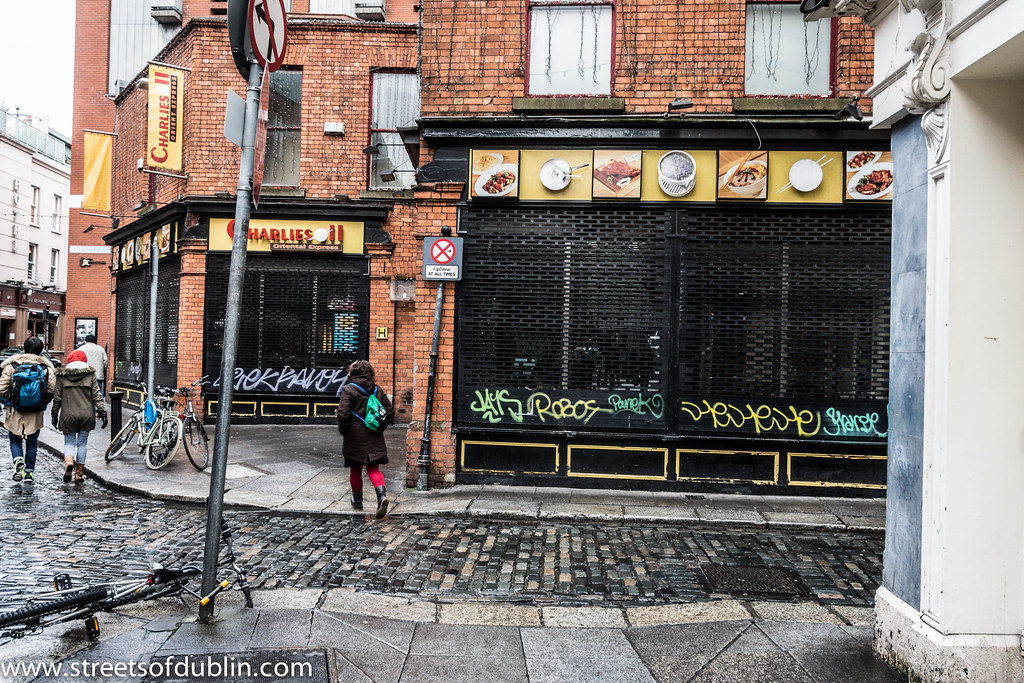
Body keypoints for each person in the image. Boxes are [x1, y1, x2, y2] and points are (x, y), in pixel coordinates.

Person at [336, 360, 394, 518]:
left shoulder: (348, 389)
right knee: (373, 468)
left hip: (354, 435)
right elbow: (388, 411)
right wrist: (380, 427)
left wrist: (344, 430)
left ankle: (357, 501)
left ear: (352, 372)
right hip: (374, 433)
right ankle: (381, 495)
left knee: (355, 468)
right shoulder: (377, 389)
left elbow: (343, 413)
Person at [0, 336, 57, 482]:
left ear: (24, 348)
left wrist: (9, 401)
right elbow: (52, 389)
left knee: (15, 439)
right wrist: (43, 401)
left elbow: (2, 389)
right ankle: (29, 473)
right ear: (40, 350)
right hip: (35, 411)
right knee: (32, 443)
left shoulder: (11, 366)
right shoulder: (46, 368)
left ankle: (18, 460)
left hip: (15, 410)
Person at [51, 349, 107, 484]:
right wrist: (103, 412)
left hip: (68, 415)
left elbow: (57, 397)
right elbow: (96, 395)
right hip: (86, 415)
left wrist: (54, 414)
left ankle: (69, 461)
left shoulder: (62, 376)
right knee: (82, 444)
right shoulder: (91, 375)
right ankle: (79, 474)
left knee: (69, 442)